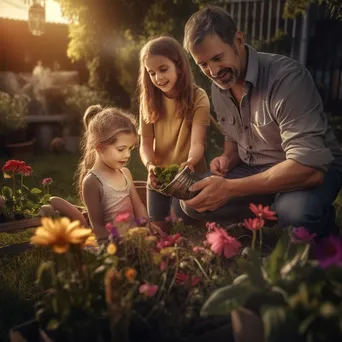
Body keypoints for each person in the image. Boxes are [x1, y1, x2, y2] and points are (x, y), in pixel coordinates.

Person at [179, 5, 342, 237]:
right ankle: (264, 223)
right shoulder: (220, 87)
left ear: (237, 40)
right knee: (191, 200)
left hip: (308, 168)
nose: (213, 71)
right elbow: (234, 144)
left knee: (295, 214)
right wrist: (226, 159)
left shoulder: (287, 79)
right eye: (203, 64)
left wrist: (231, 189)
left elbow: (309, 169)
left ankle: (315, 221)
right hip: (256, 168)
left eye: (217, 58)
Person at [49, 105, 162, 240]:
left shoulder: (125, 174)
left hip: (135, 240)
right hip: (113, 245)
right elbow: (98, 227)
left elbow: (138, 206)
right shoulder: (92, 182)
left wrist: (147, 225)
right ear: (100, 147)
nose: (127, 155)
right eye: (121, 149)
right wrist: (117, 248)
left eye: (130, 149)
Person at [138, 36, 211, 231]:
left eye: (163, 69)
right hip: (158, 178)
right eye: (151, 73)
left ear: (178, 66)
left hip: (190, 176)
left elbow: (198, 144)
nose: (158, 78)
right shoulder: (148, 101)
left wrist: (189, 163)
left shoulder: (198, 97)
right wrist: (150, 166)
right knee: (158, 231)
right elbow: (145, 145)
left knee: (191, 231)